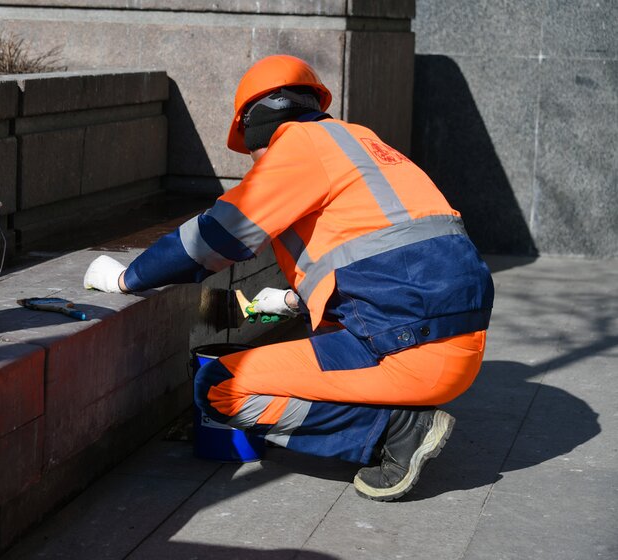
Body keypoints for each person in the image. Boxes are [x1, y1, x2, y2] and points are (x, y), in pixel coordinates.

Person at [83, 54, 494, 501]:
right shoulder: (363, 142)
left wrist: (128, 278)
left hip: (408, 350)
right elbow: (391, 254)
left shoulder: (296, 147)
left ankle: (396, 430)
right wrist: (300, 300)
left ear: (256, 129)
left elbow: (215, 238)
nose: (255, 165)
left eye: (250, 152)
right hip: (455, 345)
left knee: (219, 386)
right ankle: (398, 417)